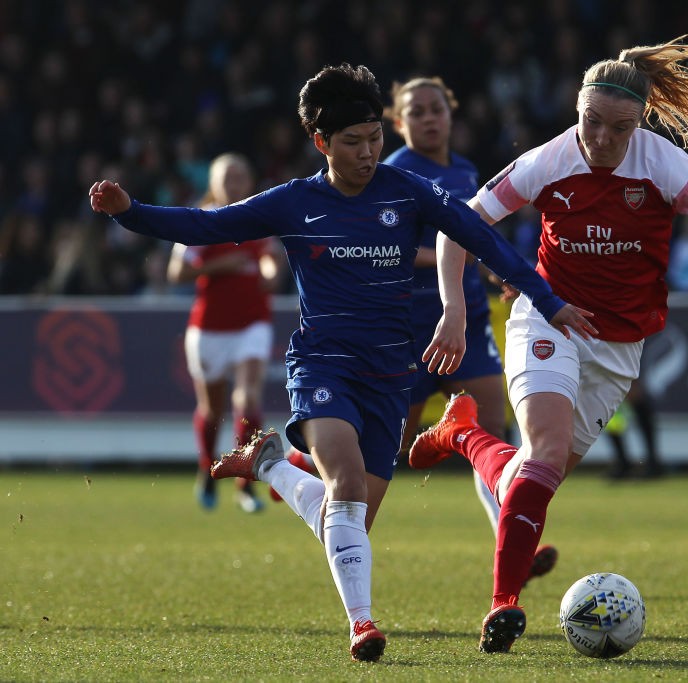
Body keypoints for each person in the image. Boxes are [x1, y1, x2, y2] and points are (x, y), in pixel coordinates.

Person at [89, 62, 594, 663]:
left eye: (375, 139)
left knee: (344, 515)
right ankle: (363, 625)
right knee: (347, 486)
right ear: (320, 142)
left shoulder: (406, 190)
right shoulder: (295, 201)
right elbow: (206, 227)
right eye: (352, 143)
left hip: (391, 372)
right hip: (324, 365)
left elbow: (483, 240)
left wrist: (549, 300)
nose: (367, 152)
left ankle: (272, 466)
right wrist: (130, 211)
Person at [408, 35, 688, 654]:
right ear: (577, 108)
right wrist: (455, 312)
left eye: (618, 129)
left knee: (531, 477)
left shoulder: (667, 167)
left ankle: (462, 434)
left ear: (641, 122)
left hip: (620, 346)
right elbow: (456, 226)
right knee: (541, 454)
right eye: (591, 122)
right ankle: (503, 606)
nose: (600, 139)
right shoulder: (549, 159)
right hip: (550, 318)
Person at [381, 76, 559, 581]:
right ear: (399, 123)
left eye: (437, 108)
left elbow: (472, 233)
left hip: (470, 320)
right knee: (390, 450)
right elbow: (388, 249)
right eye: (417, 112)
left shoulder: (464, 169)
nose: (430, 118)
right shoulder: (392, 174)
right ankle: (293, 470)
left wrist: (490, 267)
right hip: (409, 327)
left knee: (492, 433)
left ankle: (514, 545)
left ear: (451, 114)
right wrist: (453, 255)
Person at [166, 152, 285, 513]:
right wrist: (221, 265)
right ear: (213, 184)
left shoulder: (258, 217)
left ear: (250, 183)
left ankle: (245, 482)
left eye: (240, 176)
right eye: (226, 177)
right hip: (209, 329)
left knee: (247, 400)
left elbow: (271, 256)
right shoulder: (202, 223)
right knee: (212, 408)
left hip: (252, 323)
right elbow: (176, 273)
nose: (234, 183)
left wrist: (269, 273)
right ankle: (207, 468)